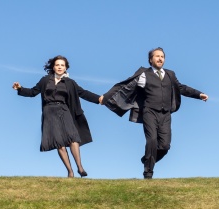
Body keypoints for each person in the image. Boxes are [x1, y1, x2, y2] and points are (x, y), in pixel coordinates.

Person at [99, 47, 208, 179]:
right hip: (149, 112)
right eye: (157, 56)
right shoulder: (144, 74)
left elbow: (182, 88)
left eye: (162, 56)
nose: (160, 58)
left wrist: (199, 94)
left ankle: (147, 159)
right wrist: (105, 96)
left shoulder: (170, 74)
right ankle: (148, 172)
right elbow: (123, 85)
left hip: (165, 114)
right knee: (151, 140)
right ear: (151, 60)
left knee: (165, 146)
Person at [12, 55, 100, 178]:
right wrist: (20, 88)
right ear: (53, 67)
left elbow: (83, 93)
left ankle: (80, 167)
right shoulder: (45, 80)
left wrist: (98, 99)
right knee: (59, 143)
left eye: (62, 65)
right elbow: (33, 92)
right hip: (49, 111)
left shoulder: (70, 82)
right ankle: (70, 171)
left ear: (66, 68)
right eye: (57, 65)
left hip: (64, 110)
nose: (60, 67)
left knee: (73, 138)